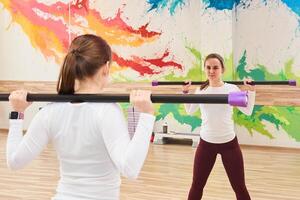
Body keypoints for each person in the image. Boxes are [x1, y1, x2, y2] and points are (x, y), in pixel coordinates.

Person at [6, 34, 155, 200]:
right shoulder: (107, 111)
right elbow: (130, 169)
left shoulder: (49, 112)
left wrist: (17, 114)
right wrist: (147, 115)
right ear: (106, 67)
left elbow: (14, 162)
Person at [184, 53, 255, 200]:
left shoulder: (231, 89)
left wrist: (251, 91)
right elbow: (190, 110)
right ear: (204, 69)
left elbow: (247, 111)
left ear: (222, 69)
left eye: (215, 67)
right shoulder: (201, 91)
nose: (211, 71)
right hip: (206, 144)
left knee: (239, 187)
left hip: (229, 144)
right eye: (208, 67)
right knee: (197, 185)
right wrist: (185, 92)